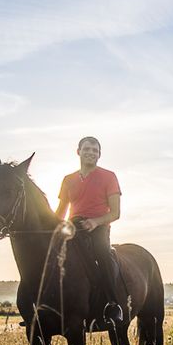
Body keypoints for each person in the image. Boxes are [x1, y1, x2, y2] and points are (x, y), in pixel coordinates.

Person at [54, 136, 124, 323]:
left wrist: (95, 222)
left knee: (102, 252)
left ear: (99, 155)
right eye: (87, 149)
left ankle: (112, 304)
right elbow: (60, 213)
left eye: (95, 150)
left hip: (99, 227)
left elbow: (115, 213)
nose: (91, 153)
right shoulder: (68, 179)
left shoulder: (109, 176)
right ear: (78, 152)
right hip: (73, 227)